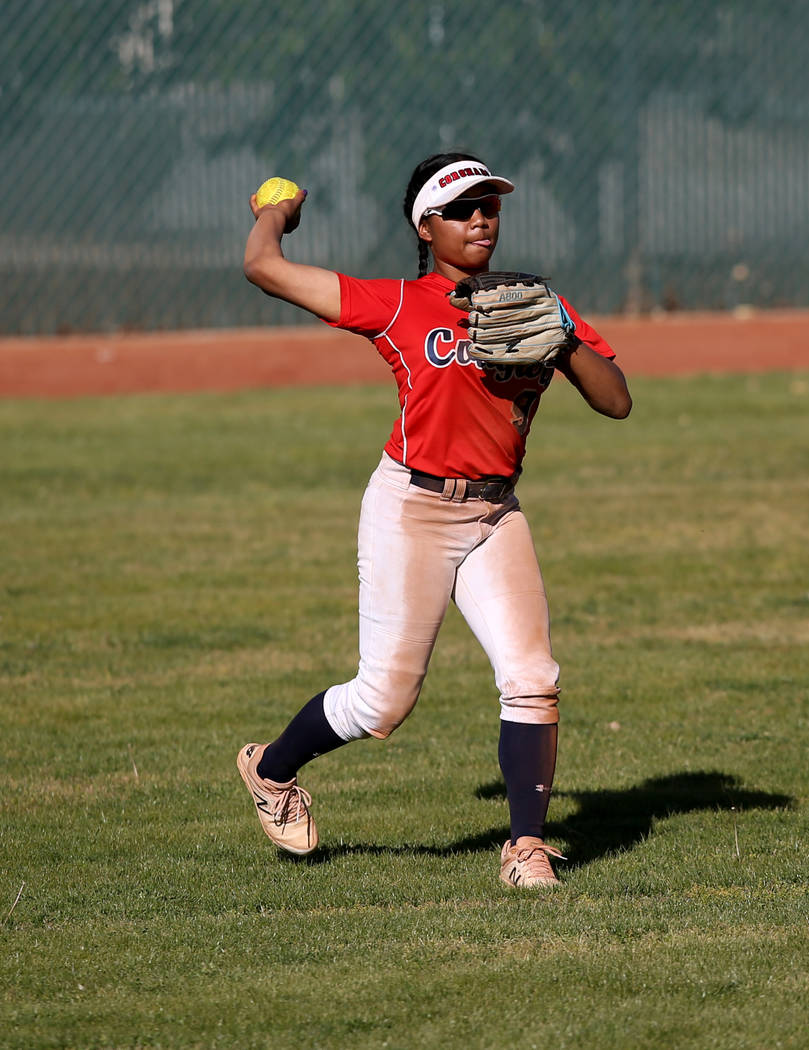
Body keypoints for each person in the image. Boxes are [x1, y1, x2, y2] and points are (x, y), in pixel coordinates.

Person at [237, 151, 631, 888]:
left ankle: (525, 848)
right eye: (461, 208)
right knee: (383, 700)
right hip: (411, 509)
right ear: (426, 225)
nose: (481, 218)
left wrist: (565, 337)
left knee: (532, 677)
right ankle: (270, 769)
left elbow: (617, 402)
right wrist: (276, 213)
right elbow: (264, 268)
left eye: (490, 206)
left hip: (494, 513)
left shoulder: (538, 302)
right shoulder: (394, 304)